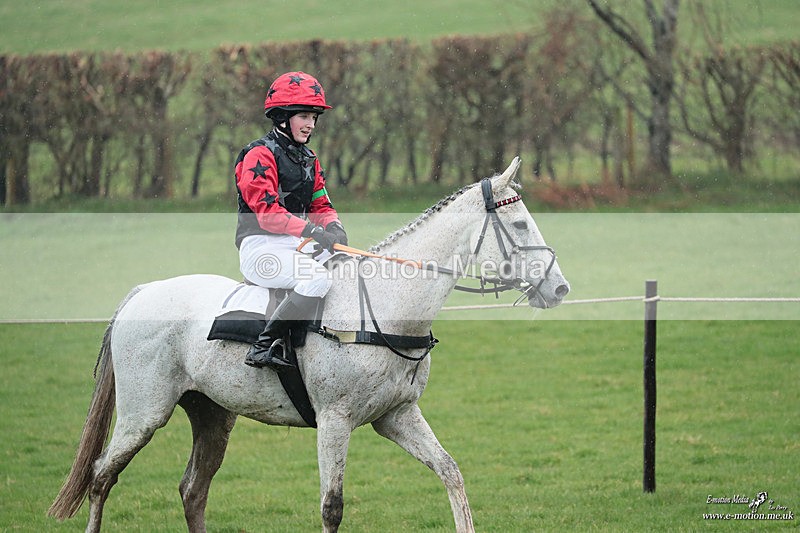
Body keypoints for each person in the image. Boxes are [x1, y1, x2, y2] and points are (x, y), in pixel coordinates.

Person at [234, 71, 347, 371]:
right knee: (317, 278)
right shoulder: (258, 155)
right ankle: (262, 346)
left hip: (297, 244)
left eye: (314, 117)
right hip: (261, 248)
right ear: (283, 117)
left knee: (348, 266)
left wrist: (334, 227)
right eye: (304, 116)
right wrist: (312, 230)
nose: (311, 124)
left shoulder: (309, 158)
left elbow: (321, 204)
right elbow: (267, 214)